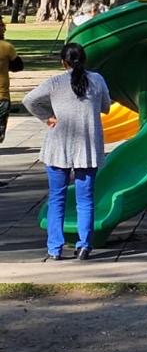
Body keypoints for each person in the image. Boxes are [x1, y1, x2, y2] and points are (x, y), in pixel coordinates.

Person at [22, 42, 110, 259]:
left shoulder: (55, 82)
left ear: (63, 62)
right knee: (85, 200)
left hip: (57, 147)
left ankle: (55, 248)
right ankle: (84, 245)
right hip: (87, 148)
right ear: (85, 60)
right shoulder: (97, 80)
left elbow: (29, 100)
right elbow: (106, 107)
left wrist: (47, 117)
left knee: (57, 198)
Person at [0, 15, 24, 144]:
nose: (4, 29)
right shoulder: (6, 47)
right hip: (2, 96)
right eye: (2, 26)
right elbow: (18, 66)